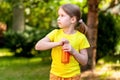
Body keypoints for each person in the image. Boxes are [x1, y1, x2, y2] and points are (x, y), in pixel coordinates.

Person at [35, 3, 90, 80]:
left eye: (62, 15)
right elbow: (38, 46)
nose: (58, 18)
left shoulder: (81, 37)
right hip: (55, 75)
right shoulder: (55, 33)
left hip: (73, 76)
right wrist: (58, 43)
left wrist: (73, 51)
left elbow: (84, 61)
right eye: (58, 15)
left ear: (73, 19)